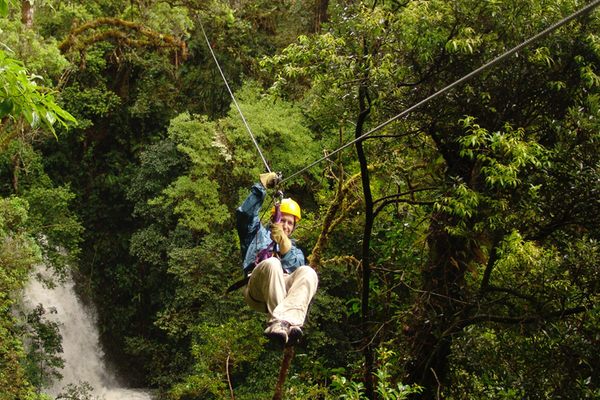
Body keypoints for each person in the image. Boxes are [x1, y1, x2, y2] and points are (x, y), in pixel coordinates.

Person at [236, 172, 318, 345]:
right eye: (284, 221)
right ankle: (279, 321)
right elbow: (245, 215)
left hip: (281, 290)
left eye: (290, 223)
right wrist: (261, 186)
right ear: (275, 218)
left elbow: (295, 266)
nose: (286, 226)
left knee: (309, 273)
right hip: (257, 287)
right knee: (273, 263)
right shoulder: (256, 233)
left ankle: (287, 323)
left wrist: (283, 242)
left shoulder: (294, 251)